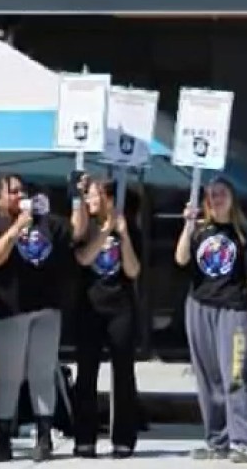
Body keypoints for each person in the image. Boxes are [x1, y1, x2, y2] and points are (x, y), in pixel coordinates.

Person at [175, 178, 247, 464]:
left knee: (235, 375)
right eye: (211, 195)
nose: (216, 199)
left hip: (232, 311)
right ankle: (217, 441)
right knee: (207, 377)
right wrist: (187, 225)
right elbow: (180, 259)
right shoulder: (199, 230)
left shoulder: (244, 234)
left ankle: (240, 442)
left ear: (232, 198)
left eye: (221, 194)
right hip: (199, 308)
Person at [0, 174, 70, 462]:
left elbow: (75, 233)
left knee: (42, 374)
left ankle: (44, 438)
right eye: (13, 191)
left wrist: (77, 199)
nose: (20, 196)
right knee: (9, 376)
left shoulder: (44, 220)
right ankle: (3, 438)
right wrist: (16, 229)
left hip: (46, 307)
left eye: (23, 191)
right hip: (9, 309)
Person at [69, 176, 142, 459]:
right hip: (89, 308)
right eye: (88, 197)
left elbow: (133, 271)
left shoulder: (127, 227)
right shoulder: (83, 228)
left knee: (123, 373)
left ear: (109, 199)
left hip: (120, 307)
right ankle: (85, 439)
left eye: (95, 196)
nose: (91, 201)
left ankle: (124, 438)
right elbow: (84, 259)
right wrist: (105, 231)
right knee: (86, 373)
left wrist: (122, 235)